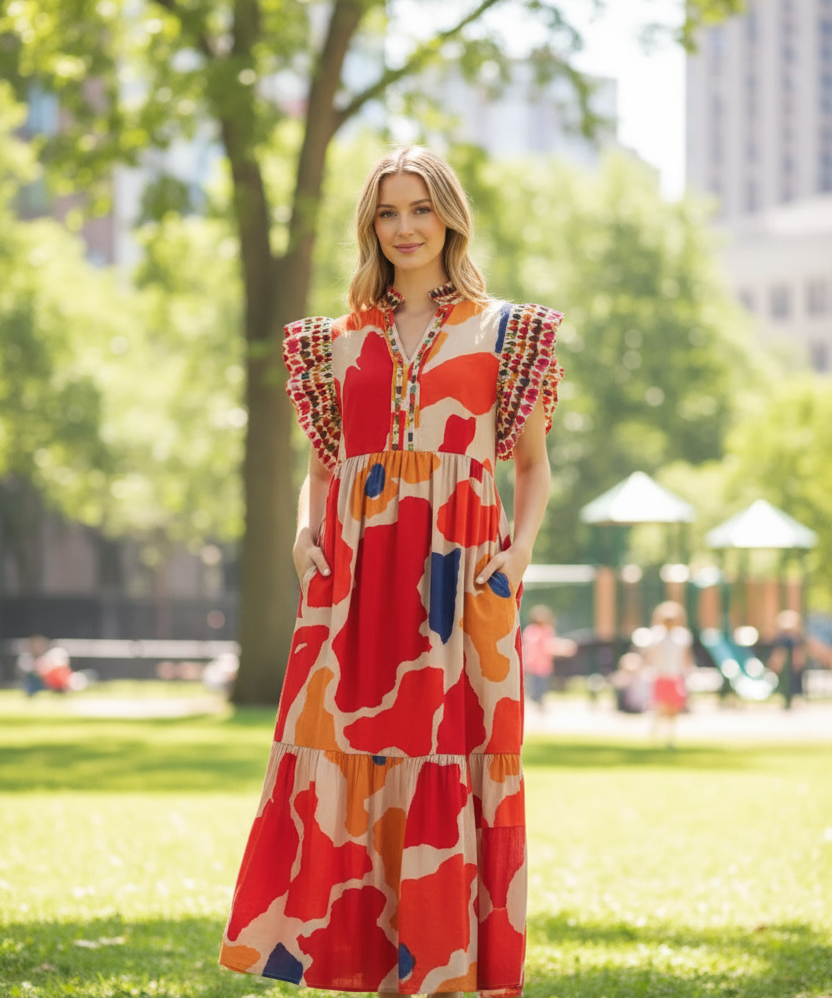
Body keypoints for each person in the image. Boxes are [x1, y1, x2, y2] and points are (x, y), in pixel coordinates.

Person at [219, 147, 564, 997]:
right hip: (354, 575)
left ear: (449, 213)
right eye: (386, 212)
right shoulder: (333, 342)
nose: (404, 227)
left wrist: (514, 559)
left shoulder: (509, 334)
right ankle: (358, 957)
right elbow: (325, 466)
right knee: (349, 749)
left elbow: (530, 468)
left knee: (450, 751)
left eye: (418, 208)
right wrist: (306, 538)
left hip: (460, 580)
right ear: (369, 225)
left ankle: (446, 965)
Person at [641, 601, 693, 746]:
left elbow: (686, 656)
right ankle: (656, 731)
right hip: (660, 675)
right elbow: (649, 655)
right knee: (661, 707)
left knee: (674, 708)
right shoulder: (656, 636)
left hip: (674, 676)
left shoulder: (682, 636)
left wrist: (688, 672)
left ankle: (670, 736)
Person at [522, 605, 577, 705]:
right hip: (534, 664)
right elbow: (531, 647)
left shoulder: (548, 630)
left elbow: (551, 645)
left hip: (544, 665)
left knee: (542, 686)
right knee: (534, 686)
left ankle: (539, 701)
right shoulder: (532, 631)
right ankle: (535, 701)